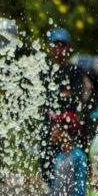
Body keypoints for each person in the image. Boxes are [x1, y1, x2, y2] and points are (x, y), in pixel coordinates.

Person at [38, 28, 90, 181]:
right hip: (48, 128)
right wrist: (63, 95)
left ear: (68, 46)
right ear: (50, 46)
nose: (59, 49)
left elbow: (74, 99)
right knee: (47, 169)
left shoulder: (74, 71)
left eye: (62, 45)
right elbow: (43, 100)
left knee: (69, 172)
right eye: (56, 44)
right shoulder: (44, 70)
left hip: (68, 128)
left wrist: (59, 98)